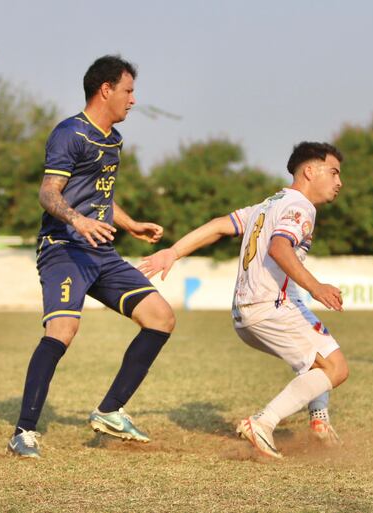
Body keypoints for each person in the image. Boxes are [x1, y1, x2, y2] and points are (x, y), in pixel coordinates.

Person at [7, 55, 176, 458]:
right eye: (128, 91)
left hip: (101, 252)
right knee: (62, 331)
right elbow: (49, 193)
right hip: (64, 249)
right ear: (106, 90)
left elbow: (102, 196)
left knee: (161, 317)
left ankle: (110, 410)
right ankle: (23, 431)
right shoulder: (70, 133)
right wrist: (77, 221)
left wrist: (131, 224)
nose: (133, 100)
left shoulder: (113, 139)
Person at [139, 142, 348, 459]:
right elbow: (280, 247)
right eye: (333, 172)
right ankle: (262, 423)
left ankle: (319, 421)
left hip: (247, 312)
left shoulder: (267, 205)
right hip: (270, 308)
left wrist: (174, 251)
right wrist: (317, 286)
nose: (339, 182)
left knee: (324, 354)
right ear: (309, 170)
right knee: (336, 368)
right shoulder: (301, 207)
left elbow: (220, 225)